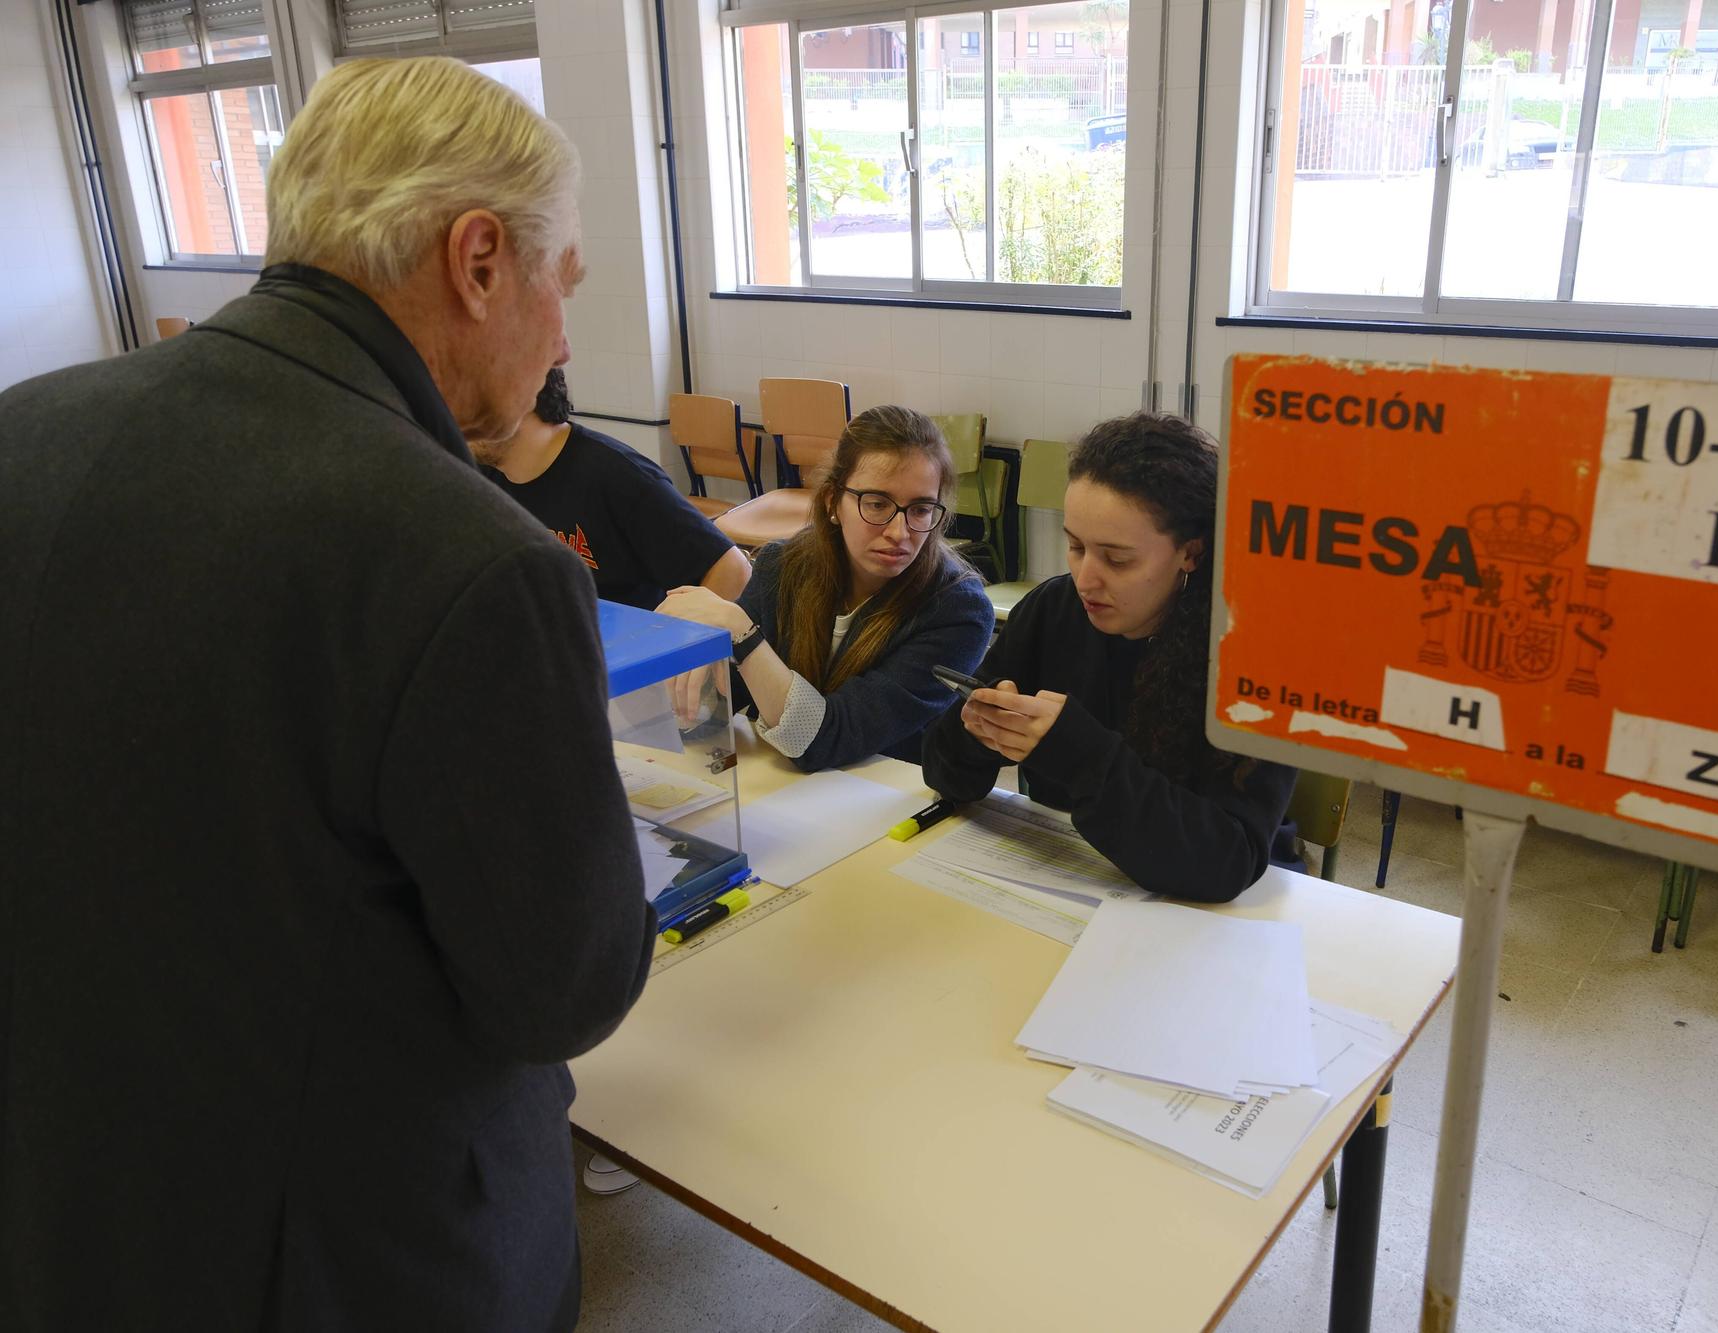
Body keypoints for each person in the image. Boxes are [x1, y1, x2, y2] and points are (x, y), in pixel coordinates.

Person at [0, 58, 654, 1330]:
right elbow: (564, 991)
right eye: (562, 283)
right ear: (479, 260)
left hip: (66, 1202)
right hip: (345, 1259)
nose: (565, 338)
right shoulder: (471, 557)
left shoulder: (25, 430)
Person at [921, 412, 1297, 902]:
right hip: (1081, 879)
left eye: (1117, 559)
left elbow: (1228, 861)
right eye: (1075, 547)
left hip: (1218, 914)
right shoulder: (1054, 610)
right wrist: (977, 733)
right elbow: (946, 777)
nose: (1085, 579)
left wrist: (1081, 754)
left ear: (1191, 553)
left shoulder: (1255, 653)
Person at [660, 405, 993, 772]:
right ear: (833, 501)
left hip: (886, 794)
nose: (899, 532)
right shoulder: (782, 566)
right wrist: (688, 669)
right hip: (788, 787)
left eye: (920, 509)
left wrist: (740, 632)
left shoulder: (958, 611)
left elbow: (826, 740)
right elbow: (715, 707)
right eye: (877, 504)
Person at [477, 367, 750, 609]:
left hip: (627, 644)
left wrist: (680, 645)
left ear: (521, 397)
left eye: (468, 403)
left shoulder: (618, 476)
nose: (459, 420)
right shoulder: (480, 475)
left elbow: (731, 569)